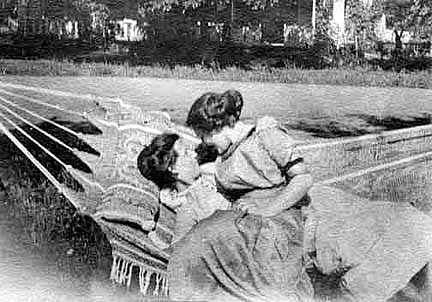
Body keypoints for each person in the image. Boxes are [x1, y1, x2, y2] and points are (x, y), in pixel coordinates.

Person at [167, 90, 314, 302]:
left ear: (221, 126)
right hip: (246, 219)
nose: (205, 144)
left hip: (276, 219)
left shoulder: (266, 136)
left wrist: (266, 209)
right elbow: (210, 178)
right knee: (196, 243)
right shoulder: (225, 154)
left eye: (205, 137)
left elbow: (303, 180)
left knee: (204, 239)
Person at [137, 133, 231, 245]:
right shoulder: (188, 209)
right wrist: (153, 237)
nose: (194, 153)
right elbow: (176, 253)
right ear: (173, 168)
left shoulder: (211, 169)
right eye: (186, 152)